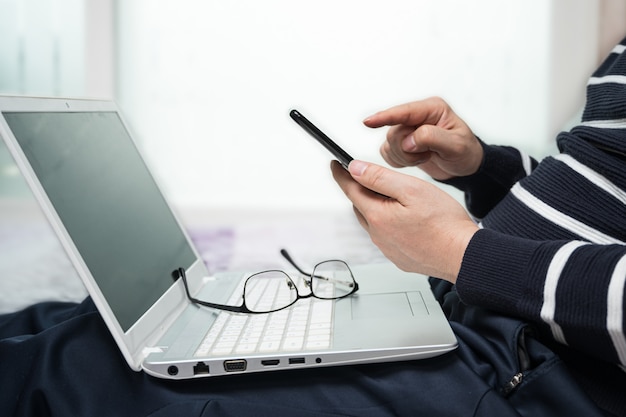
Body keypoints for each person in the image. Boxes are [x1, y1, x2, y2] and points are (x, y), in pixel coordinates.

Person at [1, 38, 625, 417]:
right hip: (484, 308)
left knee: (72, 373)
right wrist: (484, 168)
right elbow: (599, 190)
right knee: (85, 321)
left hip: (540, 375)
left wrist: (465, 253)